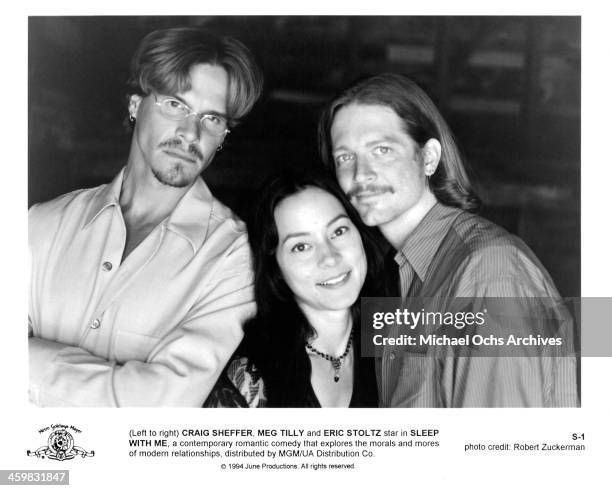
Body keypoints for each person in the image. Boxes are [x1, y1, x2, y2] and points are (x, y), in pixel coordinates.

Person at [28, 27, 263, 406]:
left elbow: (159, 409)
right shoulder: (40, 226)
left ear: (223, 136)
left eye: (212, 119)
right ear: (136, 105)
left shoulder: (234, 260)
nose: (190, 133)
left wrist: (27, 362)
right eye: (175, 105)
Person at [318, 73, 579, 407]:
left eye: (381, 150)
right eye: (345, 157)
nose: (360, 173)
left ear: (428, 158)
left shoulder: (488, 270)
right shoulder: (406, 274)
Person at [205, 171, 385, 407]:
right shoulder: (248, 376)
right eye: (301, 246)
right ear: (275, 266)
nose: (330, 258)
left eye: (339, 231)